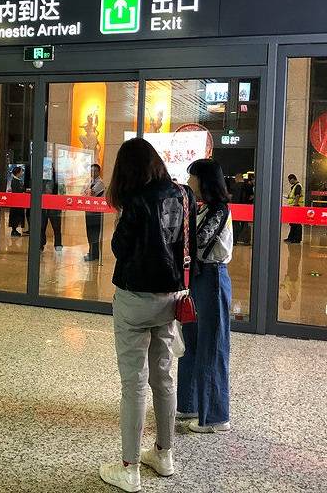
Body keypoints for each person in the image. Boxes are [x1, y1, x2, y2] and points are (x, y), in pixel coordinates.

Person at [99, 137, 196, 493]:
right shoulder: (184, 194)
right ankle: (164, 454)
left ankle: (130, 469)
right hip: (172, 297)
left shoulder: (135, 201)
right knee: (163, 377)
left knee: (134, 384)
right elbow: (190, 243)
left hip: (135, 299)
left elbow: (120, 248)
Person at [177, 158, 233, 434]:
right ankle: (190, 405)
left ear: (204, 180)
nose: (189, 182)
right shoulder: (203, 208)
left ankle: (215, 417)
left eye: (193, 177)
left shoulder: (219, 210)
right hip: (199, 278)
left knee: (212, 346)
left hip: (213, 278)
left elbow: (198, 241)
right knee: (192, 342)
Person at [83, 163, 105, 261]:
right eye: (91, 171)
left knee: (94, 233)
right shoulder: (89, 181)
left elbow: (91, 194)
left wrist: (87, 192)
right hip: (88, 210)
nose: (93, 173)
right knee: (89, 232)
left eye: (95, 171)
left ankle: (94, 254)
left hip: (96, 212)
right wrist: (86, 192)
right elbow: (83, 193)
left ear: (99, 172)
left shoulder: (100, 183)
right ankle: (91, 251)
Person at [40, 166, 62, 252]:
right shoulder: (41, 178)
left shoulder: (58, 178)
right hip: (43, 205)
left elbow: (62, 191)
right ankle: (41, 244)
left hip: (54, 205)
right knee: (41, 226)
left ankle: (58, 244)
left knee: (56, 227)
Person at [285, 174, 304, 244]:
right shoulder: (294, 186)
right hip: (293, 207)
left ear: (293, 179)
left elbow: (297, 196)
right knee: (293, 223)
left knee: (297, 224)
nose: (289, 182)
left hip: (296, 207)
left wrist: (295, 205)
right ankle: (291, 237)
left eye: (289, 180)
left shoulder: (298, 186)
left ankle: (297, 239)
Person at [8, 166, 26, 237]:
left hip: (19, 201)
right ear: (18, 173)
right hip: (16, 202)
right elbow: (16, 191)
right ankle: (14, 230)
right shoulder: (14, 181)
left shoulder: (18, 180)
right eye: (21, 171)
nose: (22, 173)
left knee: (17, 216)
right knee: (15, 216)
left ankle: (14, 230)